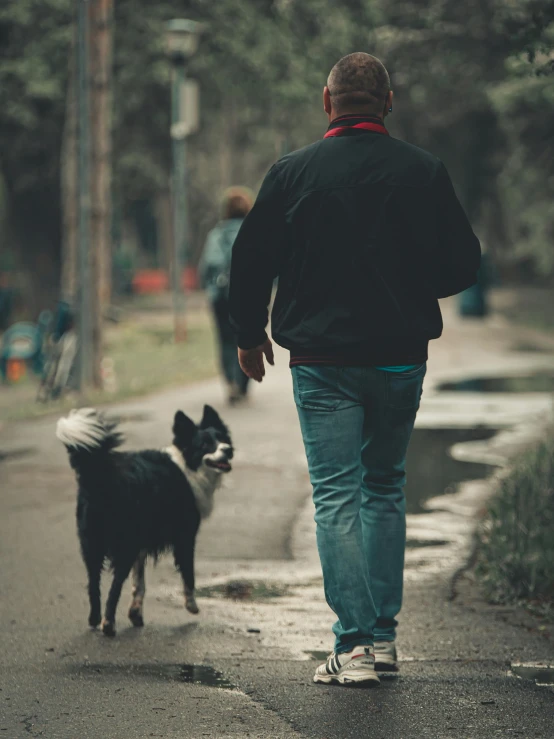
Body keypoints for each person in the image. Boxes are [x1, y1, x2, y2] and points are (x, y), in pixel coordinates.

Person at [229, 53, 481, 686]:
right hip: (400, 357)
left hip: (323, 363)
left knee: (336, 495)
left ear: (327, 102)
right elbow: (462, 264)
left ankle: (356, 645)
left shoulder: (292, 173)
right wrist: (412, 283)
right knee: (385, 488)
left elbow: (251, 258)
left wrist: (248, 335)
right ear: (389, 102)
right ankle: (385, 641)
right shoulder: (424, 172)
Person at [199, 187, 253, 405]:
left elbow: (208, 265)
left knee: (225, 340)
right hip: (250, 296)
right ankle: (243, 384)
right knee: (248, 339)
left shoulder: (217, 234)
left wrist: (208, 286)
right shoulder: (256, 231)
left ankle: (230, 381)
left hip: (222, 295)